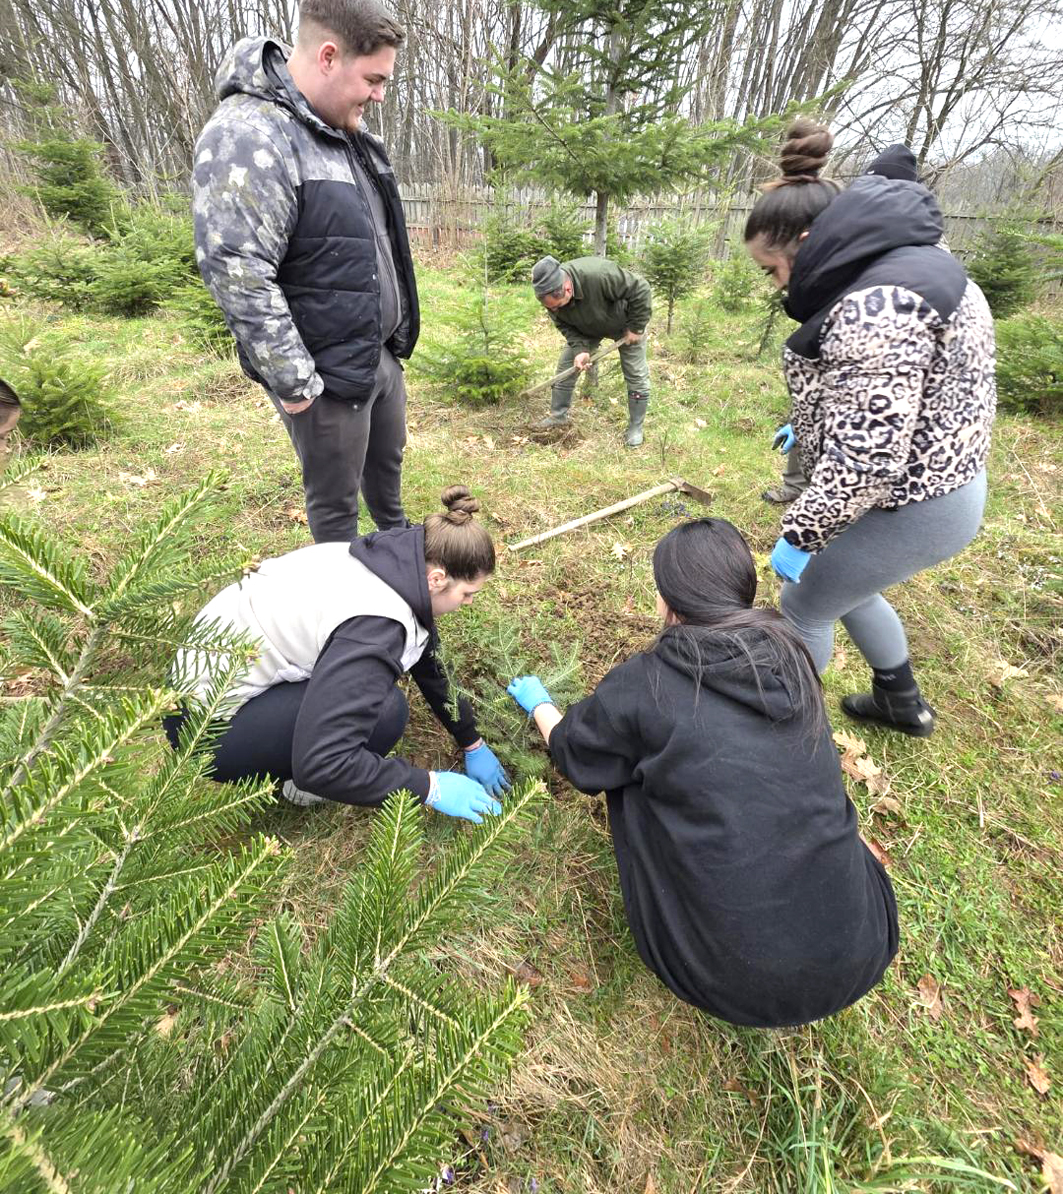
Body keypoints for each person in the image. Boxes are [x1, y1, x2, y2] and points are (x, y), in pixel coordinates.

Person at [505, 517, 898, 1028]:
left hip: (728, 979)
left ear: (668, 601)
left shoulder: (646, 684)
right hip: (863, 944)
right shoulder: (791, 655)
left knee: (626, 771)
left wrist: (540, 705)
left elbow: (577, 756)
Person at [746, 119, 996, 736]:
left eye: (772, 269)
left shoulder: (877, 304)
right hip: (944, 483)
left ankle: (782, 741)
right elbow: (894, 392)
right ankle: (900, 702)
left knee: (804, 603)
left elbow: (867, 460)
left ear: (807, 243)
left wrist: (801, 535)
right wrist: (805, 425)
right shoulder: (909, 265)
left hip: (912, 500)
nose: (778, 285)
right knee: (848, 588)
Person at [193, 0, 418, 543]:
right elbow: (238, 270)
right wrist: (296, 384)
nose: (379, 95)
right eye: (373, 79)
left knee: (387, 483)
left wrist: (390, 345)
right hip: (324, 379)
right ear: (328, 57)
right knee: (337, 512)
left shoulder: (345, 133)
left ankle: (397, 560)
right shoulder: (251, 136)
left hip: (375, 357)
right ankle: (341, 592)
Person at [166, 487, 509, 822]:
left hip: (204, 674)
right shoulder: (376, 626)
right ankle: (299, 788)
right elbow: (324, 762)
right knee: (386, 712)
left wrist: (471, 741)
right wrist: (430, 787)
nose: (469, 603)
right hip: (205, 727)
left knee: (369, 698)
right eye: (467, 594)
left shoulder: (396, 560)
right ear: (437, 579)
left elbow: (429, 660)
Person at [760, 144, 925, 508]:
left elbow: (870, 440)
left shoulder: (909, 255)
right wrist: (803, 419)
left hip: (888, 454)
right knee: (811, 417)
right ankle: (797, 485)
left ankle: (824, 500)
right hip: (830, 364)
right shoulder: (848, 234)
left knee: (848, 442)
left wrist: (810, 527)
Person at [530, 254, 652, 446]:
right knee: (566, 368)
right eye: (551, 308)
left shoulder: (599, 274)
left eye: (558, 306)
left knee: (635, 373)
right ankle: (558, 417)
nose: (554, 310)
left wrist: (636, 327)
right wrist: (580, 348)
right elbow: (564, 325)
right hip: (585, 329)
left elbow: (641, 288)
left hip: (624, 322)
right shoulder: (549, 297)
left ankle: (636, 427)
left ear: (567, 288)